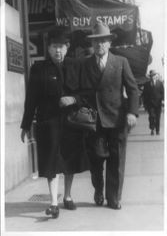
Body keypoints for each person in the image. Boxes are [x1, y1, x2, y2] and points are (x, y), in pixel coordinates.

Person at [21, 29, 89, 218]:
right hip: (48, 124)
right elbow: (31, 99)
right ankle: (53, 203)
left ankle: (67, 196)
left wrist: (73, 99)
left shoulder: (76, 66)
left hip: (71, 123)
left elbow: (87, 93)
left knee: (70, 160)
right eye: (54, 47)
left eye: (61, 47)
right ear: (48, 49)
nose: (57, 51)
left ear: (67, 48)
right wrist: (26, 125)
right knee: (51, 162)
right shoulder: (38, 69)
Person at [80, 22, 139, 209]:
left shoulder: (121, 62)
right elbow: (80, 91)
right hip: (94, 121)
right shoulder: (85, 64)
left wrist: (132, 112)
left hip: (117, 118)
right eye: (96, 41)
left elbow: (133, 89)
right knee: (96, 159)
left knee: (117, 159)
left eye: (103, 41)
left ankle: (114, 198)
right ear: (92, 44)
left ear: (109, 43)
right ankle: (98, 188)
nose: (99, 45)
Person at [142, 69, 164, 135]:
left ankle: (157, 130)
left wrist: (163, 100)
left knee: (158, 117)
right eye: (151, 75)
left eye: (154, 75)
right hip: (150, 104)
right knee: (151, 116)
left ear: (156, 76)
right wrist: (144, 104)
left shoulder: (160, 83)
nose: (153, 77)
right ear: (150, 76)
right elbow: (144, 95)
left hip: (158, 103)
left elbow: (163, 93)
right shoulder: (146, 84)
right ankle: (152, 129)